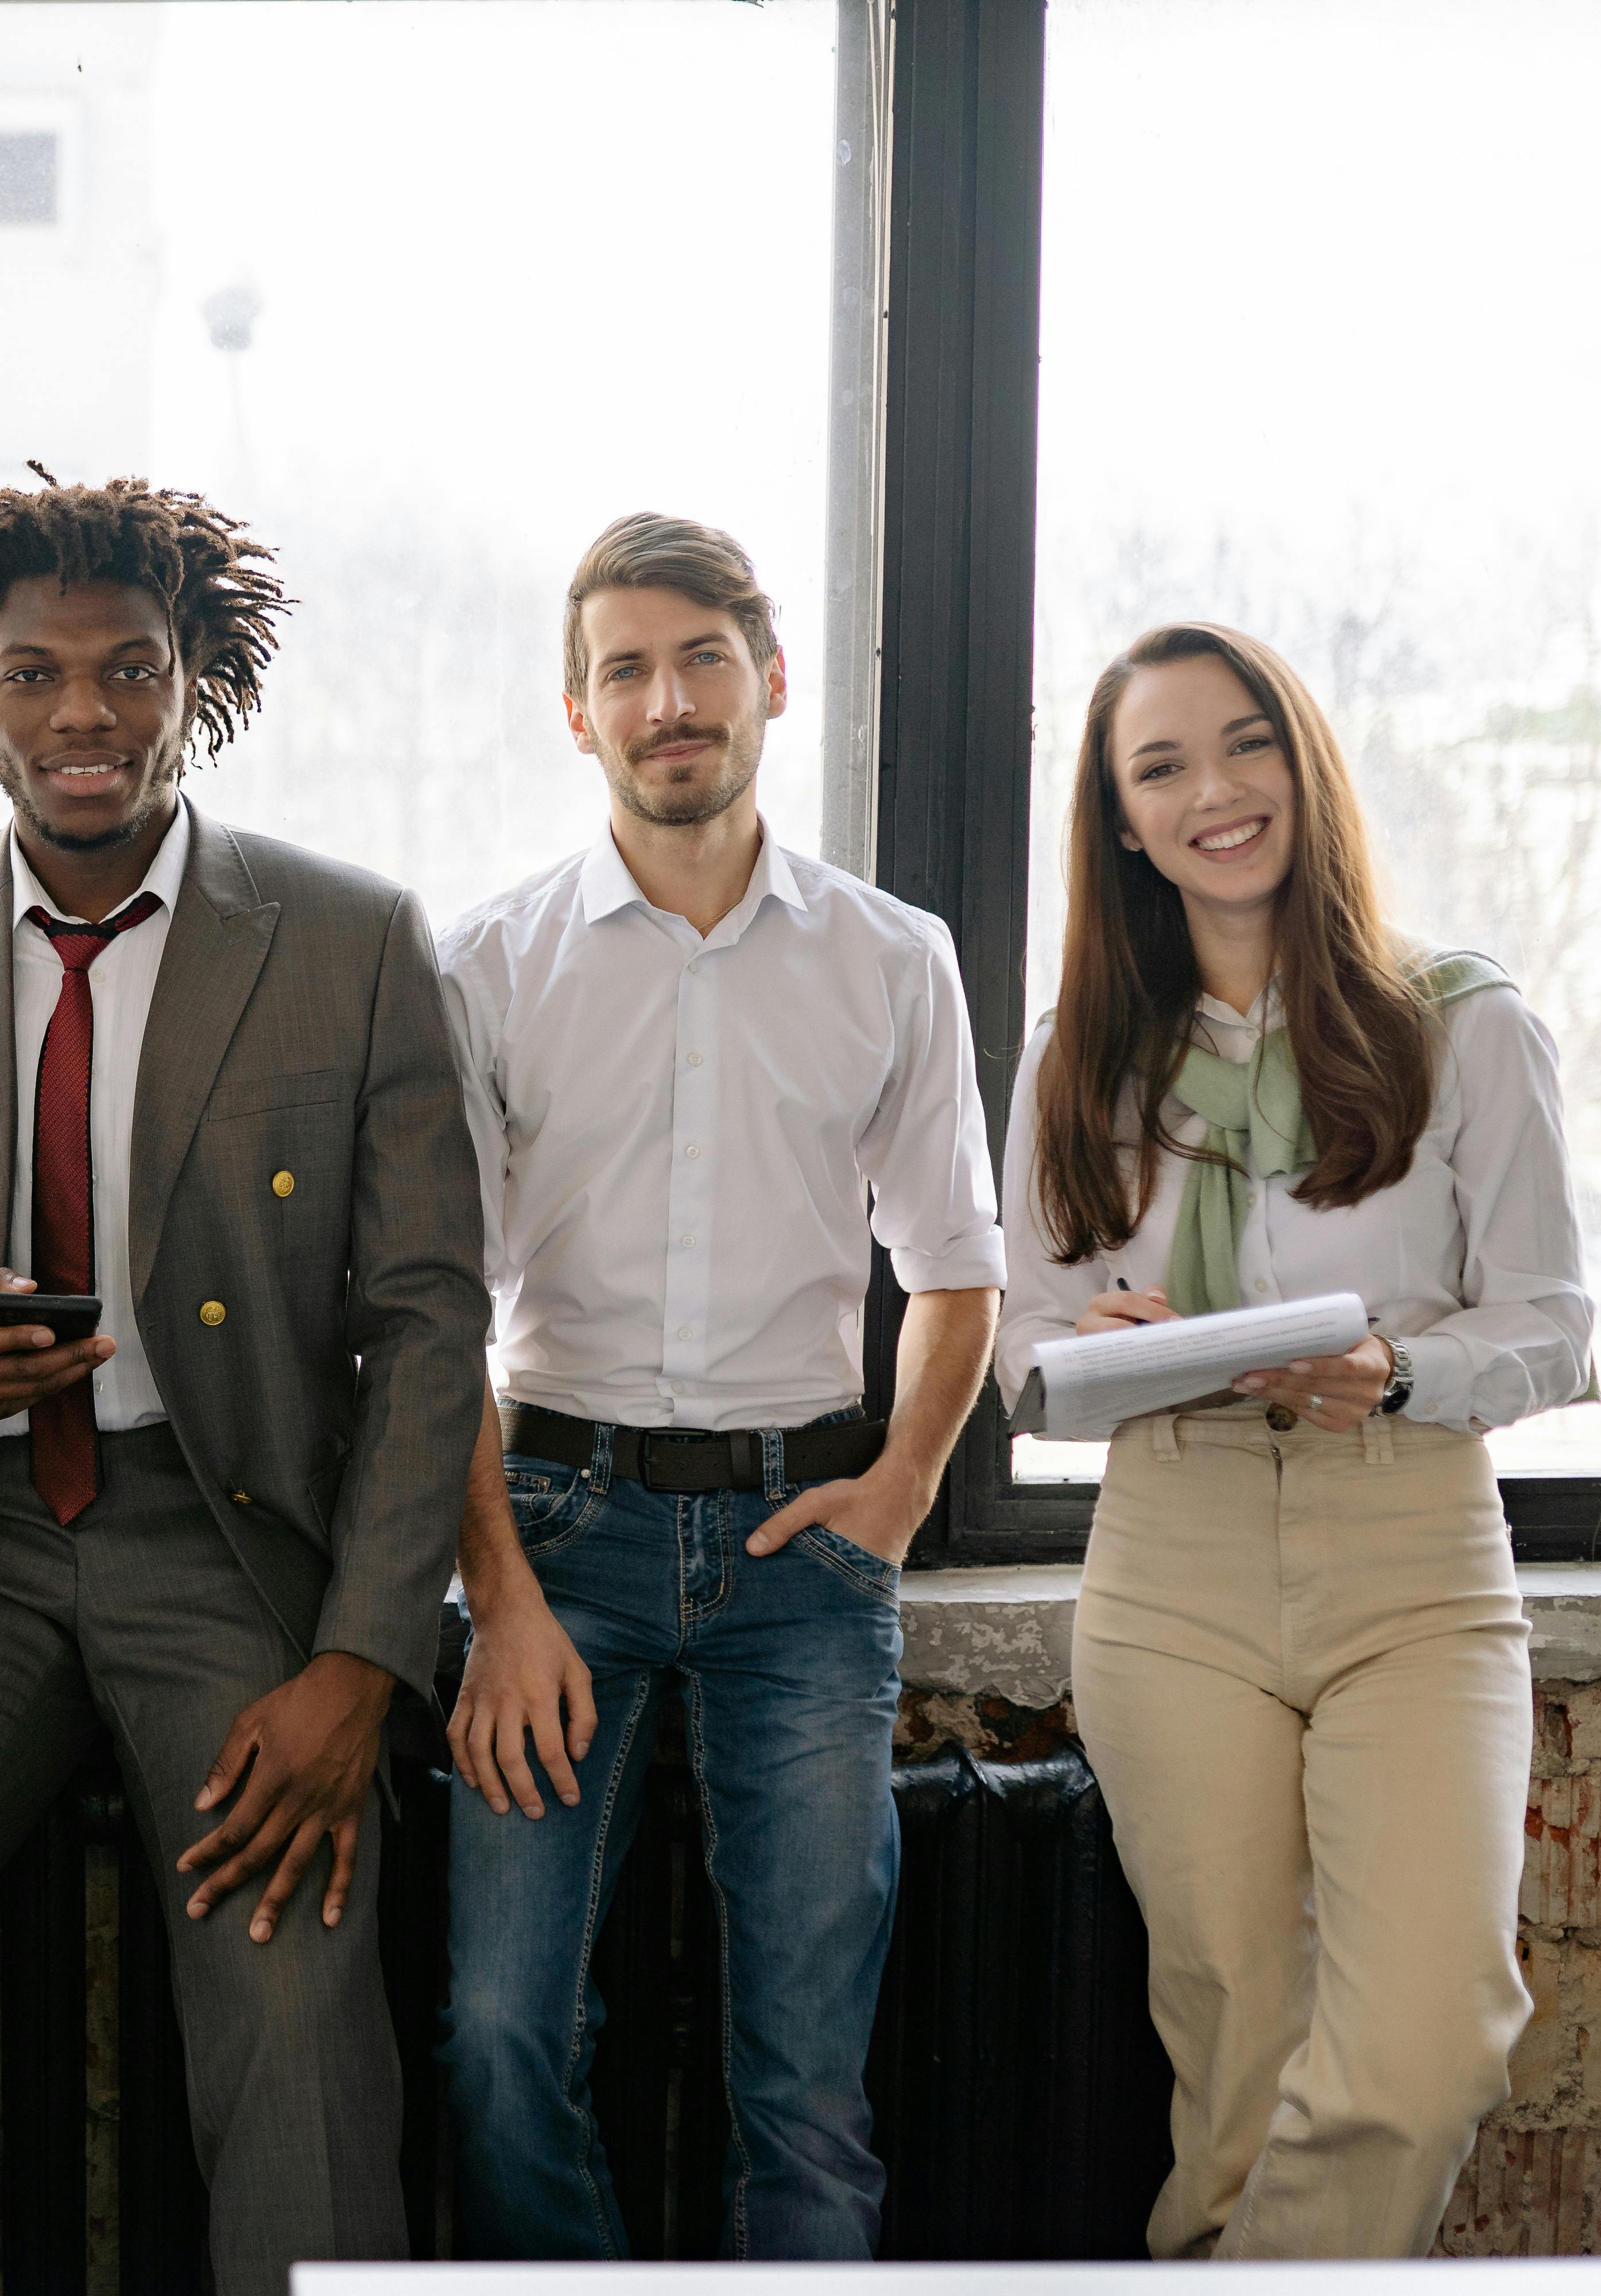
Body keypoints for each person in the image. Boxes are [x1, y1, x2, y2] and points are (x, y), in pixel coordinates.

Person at [0, 471, 488, 2294]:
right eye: (37, 676)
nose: (87, 717)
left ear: (199, 675)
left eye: (133, 670)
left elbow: (432, 1318)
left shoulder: (354, 937)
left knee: (300, 2033)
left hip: (224, 1549)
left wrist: (364, 1663)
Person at [435, 513, 1005, 2259]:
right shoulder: (491, 965)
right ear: (574, 709)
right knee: (502, 2041)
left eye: (700, 660)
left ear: (769, 679)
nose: (666, 700)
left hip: (801, 1558)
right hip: (557, 1538)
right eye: (625, 669)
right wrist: (498, 1590)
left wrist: (898, 1495)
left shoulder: (891, 959)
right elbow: (433, 1314)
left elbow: (959, 1269)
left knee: (807, 2078)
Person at [997, 622, 1590, 2257]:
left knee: (1424, 2047)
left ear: (1304, 763)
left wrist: (1399, 1371)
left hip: (1411, 1542)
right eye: (1162, 766)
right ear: (1122, 821)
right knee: (1237, 2075)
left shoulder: (1461, 1023)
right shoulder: (1080, 1055)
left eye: (1246, 743)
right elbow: (1018, 1351)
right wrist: (1093, 1354)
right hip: (1172, 1554)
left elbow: (1553, 1323)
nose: (1216, 791)